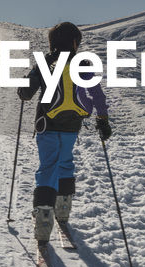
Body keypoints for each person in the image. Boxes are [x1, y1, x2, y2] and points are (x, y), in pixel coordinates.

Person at [18, 20, 111, 244]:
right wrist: (103, 121)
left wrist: (23, 85)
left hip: (47, 124)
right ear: (75, 42)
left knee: (48, 166)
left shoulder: (44, 62)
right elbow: (97, 95)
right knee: (65, 161)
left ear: (52, 42)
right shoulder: (83, 64)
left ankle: (43, 220)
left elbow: (26, 93)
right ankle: (63, 210)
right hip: (72, 125)